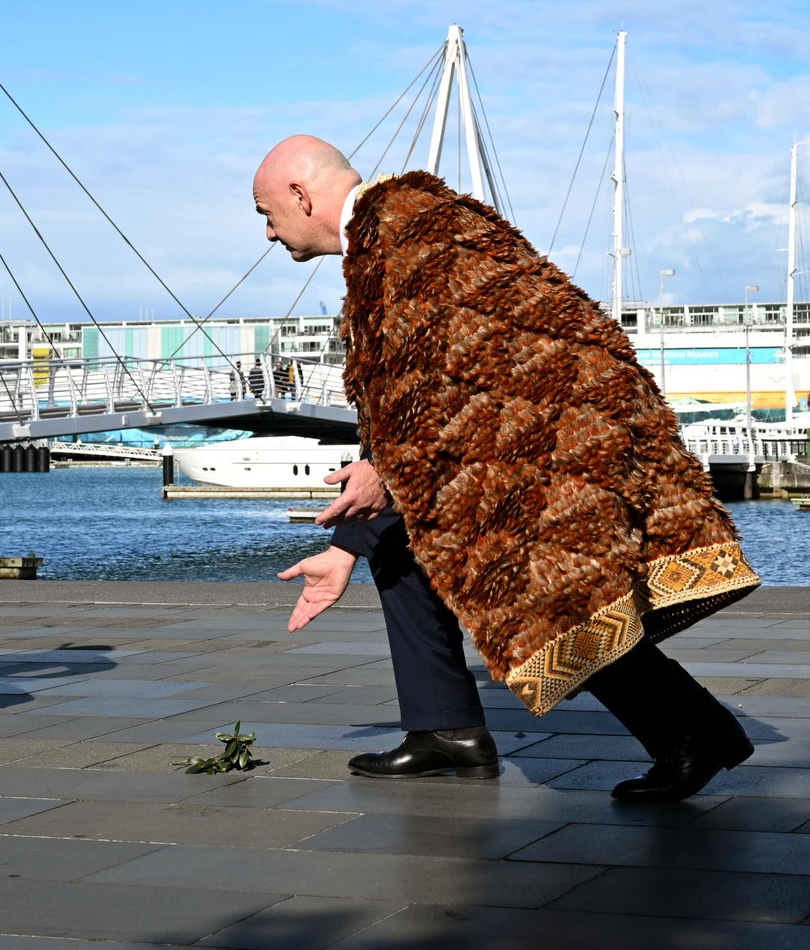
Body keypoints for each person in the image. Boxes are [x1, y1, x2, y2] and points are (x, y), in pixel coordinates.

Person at [258, 135, 760, 801]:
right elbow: (434, 365)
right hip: (542, 425)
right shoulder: (399, 231)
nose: (268, 232)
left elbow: (426, 381)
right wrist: (353, 538)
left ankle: (696, 732)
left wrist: (375, 484)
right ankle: (445, 728)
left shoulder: (405, 230)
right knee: (417, 548)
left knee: (553, 596)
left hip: (557, 434)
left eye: (267, 212)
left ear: (302, 194)